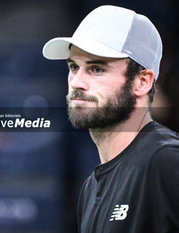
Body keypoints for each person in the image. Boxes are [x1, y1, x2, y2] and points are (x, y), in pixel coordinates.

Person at [42, 5, 179, 233]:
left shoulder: (165, 161)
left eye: (97, 69)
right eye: (74, 66)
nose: (77, 82)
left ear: (142, 82)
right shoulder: (90, 188)